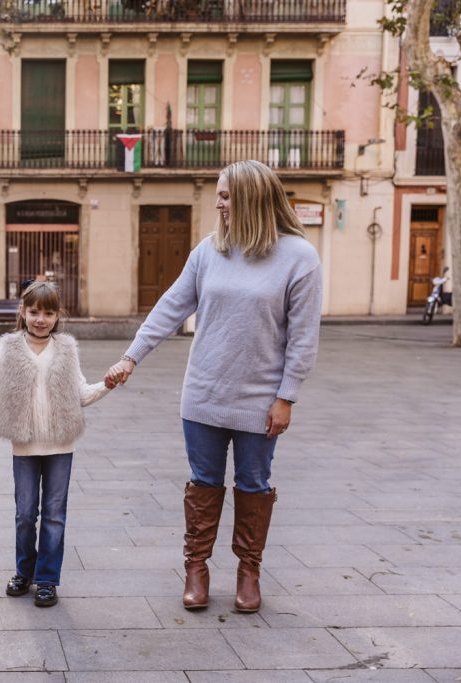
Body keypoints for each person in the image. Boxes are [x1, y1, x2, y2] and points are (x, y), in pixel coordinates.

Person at [106, 159, 322, 613]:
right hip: (203, 392)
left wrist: (286, 397)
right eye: (218, 195)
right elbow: (170, 307)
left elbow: (303, 337)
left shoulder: (299, 257)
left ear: (251, 197)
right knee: (204, 483)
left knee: (254, 484)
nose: (218, 203)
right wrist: (131, 357)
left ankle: (248, 570)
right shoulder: (208, 251)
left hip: (261, 399)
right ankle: (196, 568)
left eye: (225, 195)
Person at [0, 281, 117, 608]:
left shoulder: (66, 348)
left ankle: (47, 578)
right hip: (25, 446)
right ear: (22, 311)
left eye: (48, 313)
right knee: (24, 514)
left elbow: (81, 394)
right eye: (34, 311)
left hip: (60, 445)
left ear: (57, 316)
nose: (40, 319)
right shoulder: (8, 348)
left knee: (54, 515)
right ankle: (24, 570)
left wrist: (106, 384)